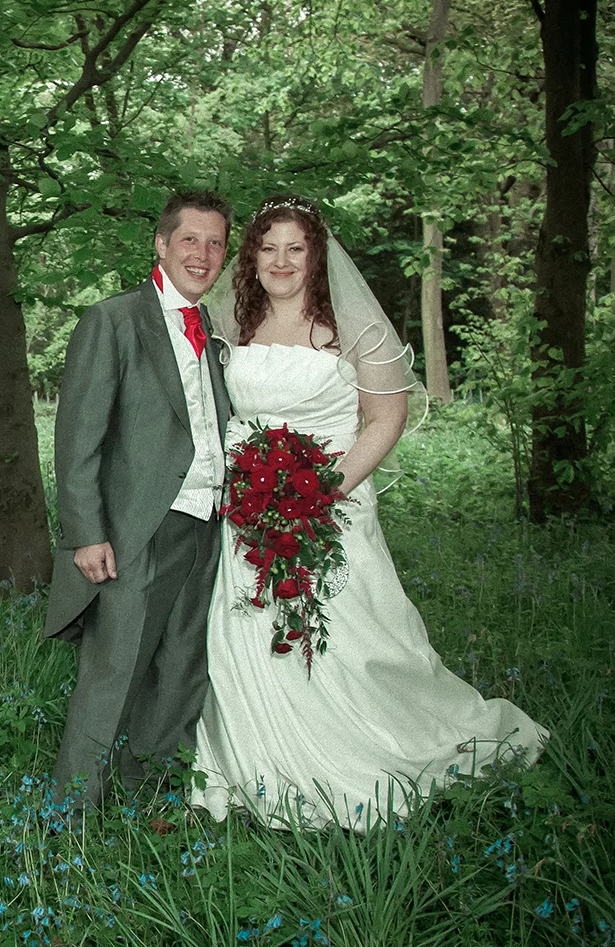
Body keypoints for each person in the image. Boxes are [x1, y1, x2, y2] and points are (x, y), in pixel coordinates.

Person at [193, 195, 549, 830]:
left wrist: (318, 492)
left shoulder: (355, 329)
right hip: (245, 510)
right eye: (268, 248)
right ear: (252, 257)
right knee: (246, 632)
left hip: (330, 504)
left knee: (348, 638)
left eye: (295, 249)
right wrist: (247, 487)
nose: (281, 261)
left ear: (316, 256)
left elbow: (387, 419)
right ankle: (258, 763)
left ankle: (368, 748)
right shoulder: (231, 324)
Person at [44, 191, 234, 810]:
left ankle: (149, 796)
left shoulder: (216, 328)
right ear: (161, 243)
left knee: (182, 668)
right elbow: (78, 438)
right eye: (190, 240)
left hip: (209, 524)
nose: (202, 255)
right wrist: (86, 533)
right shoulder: (115, 319)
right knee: (114, 673)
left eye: (214, 243)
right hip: (134, 530)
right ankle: (71, 818)